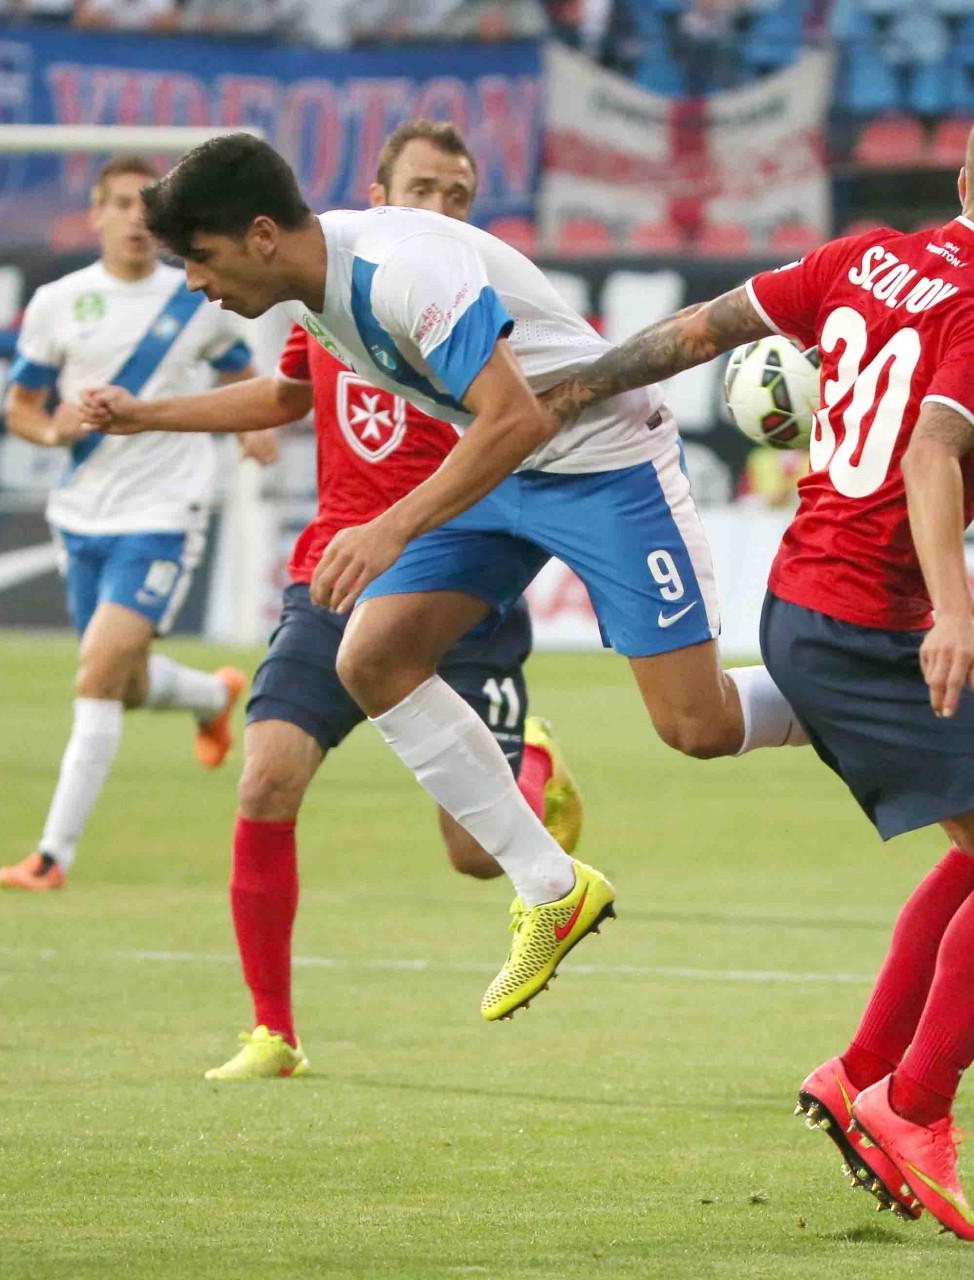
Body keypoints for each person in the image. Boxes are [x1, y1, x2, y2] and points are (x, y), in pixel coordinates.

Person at [81, 130, 808, 1025]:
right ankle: (551, 889)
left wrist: (389, 528)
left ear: (261, 235)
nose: (196, 280)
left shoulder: (401, 272)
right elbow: (428, 417)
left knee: (698, 726)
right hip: (505, 467)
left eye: (201, 256)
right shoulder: (312, 288)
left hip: (606, 464)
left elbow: (515, 416)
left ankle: (847, 682)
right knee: (371, 656)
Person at [538, 93, 974, 1241]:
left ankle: (860, 1072)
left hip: (804, 599)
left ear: (961, 183)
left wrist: (576, 386)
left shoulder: (865, 258)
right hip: (865, 622)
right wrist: (954, 614)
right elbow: (933, 452)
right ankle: (913, 1106)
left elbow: (701, 330)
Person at [81, 122, 583, 1080]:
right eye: (424, 190)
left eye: (459, 195)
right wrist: (149, 415)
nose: (442, 210)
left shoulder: (463, 303)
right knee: (265, 779)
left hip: (451, 578)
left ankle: (533, 763)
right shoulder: (325, 294)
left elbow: (516, 424)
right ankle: (273, 1032)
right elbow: (284, 399)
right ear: (376, 197)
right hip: (336, 574)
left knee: (475, 857)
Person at [0, 154, 272, 893]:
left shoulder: (195, 298)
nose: (134, 219)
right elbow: (21, 407)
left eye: (145, 207)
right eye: (119, 203)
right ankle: (212, 698)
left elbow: (243, 373)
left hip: (164, 513)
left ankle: (52, 857)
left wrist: (253, 428)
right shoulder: (59, 302)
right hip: (81, 515)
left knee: (96, 672)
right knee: (120, 680)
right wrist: (51, 431)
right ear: (95, 214)